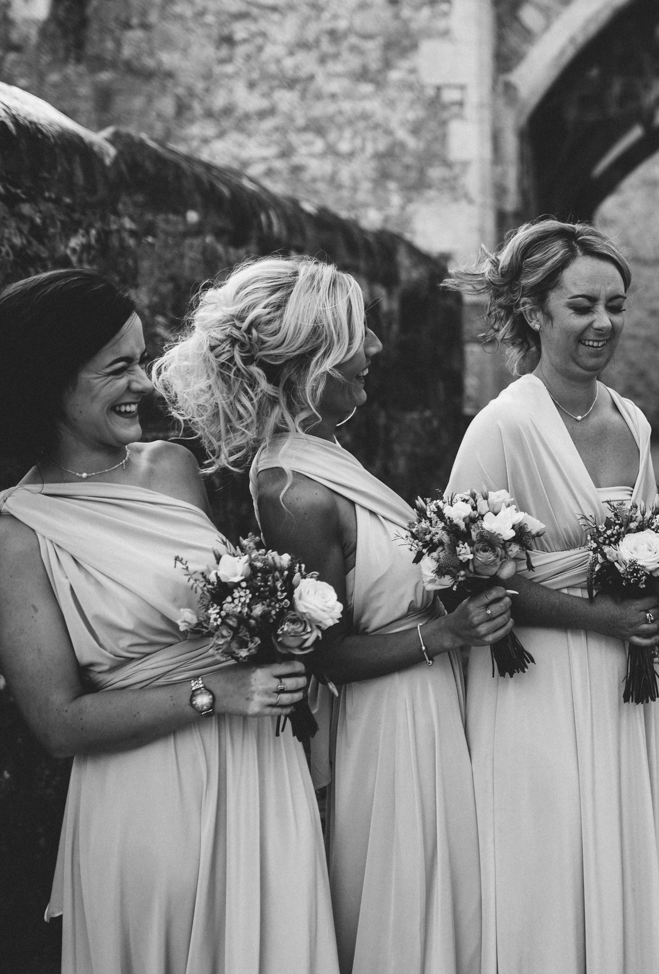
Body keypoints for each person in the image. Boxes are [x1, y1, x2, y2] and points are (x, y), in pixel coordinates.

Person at [153, 256, 509, 974]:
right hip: (386, 726)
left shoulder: (328, 454)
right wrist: (443, 632)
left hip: (431, 703)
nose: (375, 346)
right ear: (309, 363)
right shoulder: (291, 488)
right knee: (406, 907)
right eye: (356, 335)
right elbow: (321, 656)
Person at [0, 269, 338, 973]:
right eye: (117, 367)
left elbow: (212, 608)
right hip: (151, 794)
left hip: (260, 765)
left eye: (141, 359)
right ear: (51, 378)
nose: (144, 384)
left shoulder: (173, 467)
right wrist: (216, 694)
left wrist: (274, 630)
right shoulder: (17, 533)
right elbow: (58, 724)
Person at [445, 219, 659, 974]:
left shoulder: (634, 419)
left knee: (615, 843)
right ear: (535, 313)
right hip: (533, 679)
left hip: (621, 680)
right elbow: (468, 569)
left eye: (615, 304)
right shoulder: (502, 426)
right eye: (582, 306)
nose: (603, 323)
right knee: (542, 854)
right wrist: (599, 617)